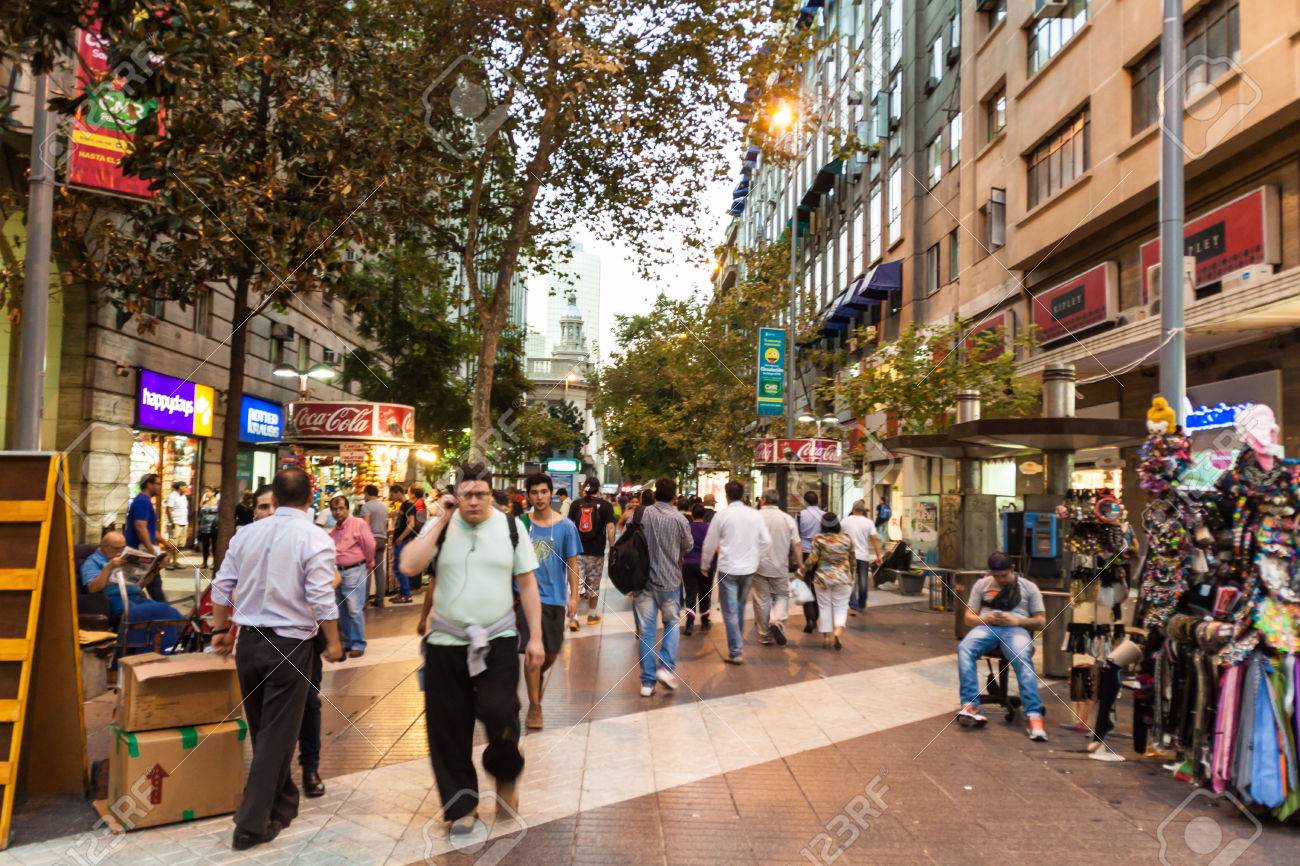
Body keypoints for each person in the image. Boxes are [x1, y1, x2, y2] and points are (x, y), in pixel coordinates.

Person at [402, 463, 543, 834]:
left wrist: (536, 637)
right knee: (448, 726)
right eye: (467, 495)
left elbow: (528, 584)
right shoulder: (442, 527)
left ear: (491, 495)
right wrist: (440, 520)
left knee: (501, 711)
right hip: (445, 644)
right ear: (456, 496)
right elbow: (409, 565)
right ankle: (461, 805)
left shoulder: (511, 527)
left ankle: (506, 775)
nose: (474, 501)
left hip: (498, 640)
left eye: (481, 494)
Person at [210, 468, 344, 851]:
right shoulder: (314, 538)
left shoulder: (247, 534)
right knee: (275, 736)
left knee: (264, 730)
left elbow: (221, 585)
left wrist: (218, 631)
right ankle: (250, 825)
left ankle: (283, 802)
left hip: (249, 644)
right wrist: (334, 642)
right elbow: (321, 597)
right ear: (310, 496)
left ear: (277, 497)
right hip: (289, 646)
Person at [246, 482, 331, 800]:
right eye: (262, 507)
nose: (269, 512)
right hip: (257, 639)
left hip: (300, 639)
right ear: (255, 512)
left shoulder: (306, 537)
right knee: (261, 710)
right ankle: (272, 779)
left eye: (273, 505)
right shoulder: (248, 541)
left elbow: (331, 578)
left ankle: (310, 768)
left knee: (308, 703)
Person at [956, 552, 1048, 742]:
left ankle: (1034, 715)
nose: (1000, 579)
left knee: (1022, 657)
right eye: (996, 576)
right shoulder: (982, 585)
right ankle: (970, 705)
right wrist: (985, 618)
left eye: (1004, 575)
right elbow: (968, 618)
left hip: (1016, 629)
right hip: (987, 627)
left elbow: (1041, 621)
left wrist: (1018, 620)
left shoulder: (1029, 587)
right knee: (964, 648)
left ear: (1012, 570)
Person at [519, 474, 580, 730]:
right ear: (528, 496)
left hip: (555, 598)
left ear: (551, 493)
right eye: (534, 492)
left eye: (544, 492)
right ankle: (535, 706)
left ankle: (536, 677)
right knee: (532, 653)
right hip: (525, 597)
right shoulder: (521, 524)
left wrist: (574, 596)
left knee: (551, 652)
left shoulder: (566, 526)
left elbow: (573, 563)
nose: (539, 497)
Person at [700, 480, 770, 665]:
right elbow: (766, 541)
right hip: (748, 569)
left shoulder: (722, 516)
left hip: (728, 568)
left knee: (730, 610)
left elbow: (709, 543)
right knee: (739, 608)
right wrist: (756, 558)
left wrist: (705, 565)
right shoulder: (755, 515)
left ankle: (736, 650)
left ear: (727, 496)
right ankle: (736, 647)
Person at [635, 478, 692, 696]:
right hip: (670, 582)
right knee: (671, 623)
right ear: (674, 497)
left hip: (643, 581)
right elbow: (688, 546)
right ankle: (665, 668)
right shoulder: (679, 519)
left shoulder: (641, 514)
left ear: (656, 493)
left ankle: (647, 683)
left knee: (647, 631)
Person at [80, 530, 183, 651]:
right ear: (104, 547)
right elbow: (92, 588)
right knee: (152, 612)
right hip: (115, 599)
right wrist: (108, 567)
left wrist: (156, 569)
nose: (121, 552)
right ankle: (154, 648)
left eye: (123, 548)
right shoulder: (92, 562)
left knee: (168, 610)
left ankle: (176, 643)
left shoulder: (122, 558)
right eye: (117, 548)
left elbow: (139, 586)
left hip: (136, 596)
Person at [328, 495, 375, 658]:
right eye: (334, 509)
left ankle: (358, 643)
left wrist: (369, 561)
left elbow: (369, 544)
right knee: (342, 609)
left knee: (354, 609)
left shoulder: (358, 523)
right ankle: (348, 641)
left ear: (347, 509)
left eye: (341, 508)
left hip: (354, 570)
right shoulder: (334, 531)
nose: (337, 512)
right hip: (337, 572)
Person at [754, 489, 802, 647]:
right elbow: (797, 544)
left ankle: (765, 636)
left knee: (762, 600)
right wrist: (801, 564)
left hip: (758, 566)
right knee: (782, 596)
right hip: (780, 566)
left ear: (763, 500)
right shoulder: (787, 518)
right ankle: (777, 622)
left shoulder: (755, 517)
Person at [568, 478, 615, 629]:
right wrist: (613, 548)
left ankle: (574, 618)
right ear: (598, 489)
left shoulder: (575, 504)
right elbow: (611, 528)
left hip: (577, 551)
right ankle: (592, 615)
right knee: (594, 584)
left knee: (576, 584)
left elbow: (569, 527)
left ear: (584, 488)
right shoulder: (606, 506)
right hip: (596, 552)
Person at [805, 512, 854, 651]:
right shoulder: (847, 538)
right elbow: (852, 559)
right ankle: (837, 632)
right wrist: (851, 574)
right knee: (841, 606)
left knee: (824, 607)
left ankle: (826, 637)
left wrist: (804, 567)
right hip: (843, 577)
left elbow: (813, 559)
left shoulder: (819, 539)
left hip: (823, 578)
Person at [125, 474, 169, 602]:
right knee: (151, 586)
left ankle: (160, 609)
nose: (160, 487)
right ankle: (163, 611)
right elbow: (140, 526)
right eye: (158, 484)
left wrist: (164, 542)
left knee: (151, 584)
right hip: (140, 551)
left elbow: (150, 529)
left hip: (143, 551)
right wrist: (151, 551)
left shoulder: (145, 501)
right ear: (149, 484)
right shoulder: (142, 501)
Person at [842, 500, 885, 612]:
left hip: (848, 556)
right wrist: (879, 556)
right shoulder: (868, 522)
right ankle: (861, 604)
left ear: (853, 509)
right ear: (863, 510)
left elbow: (840, 537)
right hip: (863, 556)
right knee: (863, 581)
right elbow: (874, 540)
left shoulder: (845, 521)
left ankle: (852, 602)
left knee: (849, 580)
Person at [681, 503, 712, 635]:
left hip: (688, 564)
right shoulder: (709, 528)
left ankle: (689, 624)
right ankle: (705, 622)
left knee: (690, 594)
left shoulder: (687, 527)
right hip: (705, 565)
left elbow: (682, 545)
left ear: (692, 514)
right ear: (704, 514)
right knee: (705, 593)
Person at [360, 484, 389, 608]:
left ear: (367, 493)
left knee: (367, 570)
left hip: (371, 539)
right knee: (379, 571)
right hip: (382, 538)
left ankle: (364, 601)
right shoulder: (384, 507)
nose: (364, 497)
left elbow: (365, 525)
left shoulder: (366, 506)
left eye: (364, 494)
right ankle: (380, 600)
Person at [390, 484, 416, 603]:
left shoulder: (409, 505)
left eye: (392, 494)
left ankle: (406, 594)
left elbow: (412, 524)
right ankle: (402, 593)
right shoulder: (404, 505)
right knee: (397, 567)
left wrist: (401, 537)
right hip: (400, 541)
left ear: (398, 493)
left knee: (400, 567)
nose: (391, 497)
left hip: (403, 542)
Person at [163, 481, 190, 570]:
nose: (187, 488)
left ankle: (175, 562)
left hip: (183, 522)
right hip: (175, 523)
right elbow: (168, 509)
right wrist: (172, 522)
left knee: (178, 545)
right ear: (181, 487)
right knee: (172, 544)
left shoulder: (183, 496)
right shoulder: (173, 496)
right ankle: (167, 563)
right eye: (186, 487)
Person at [195, 488, 220, 571]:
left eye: (208, 492)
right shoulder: (204, 501)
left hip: (214, 527)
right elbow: (200, 513)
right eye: (205, 492)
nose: (206, 493)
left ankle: (214, 563)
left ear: (213, 493)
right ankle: (204, 562)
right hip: (204, 527)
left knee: (214, 546)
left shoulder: (218, 501)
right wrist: (199, 524)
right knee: (205, 545)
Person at [797, 490, 825, 555]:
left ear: (805, 502)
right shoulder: (825, 515)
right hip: (820, 550)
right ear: (818, 501)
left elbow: (796, 533)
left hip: (804, 549)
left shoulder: (800, 515)